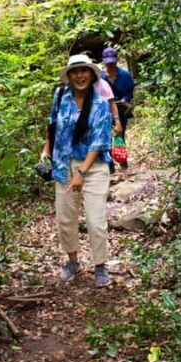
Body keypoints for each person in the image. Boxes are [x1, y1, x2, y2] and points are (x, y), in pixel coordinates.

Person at [40, 54, 113, 287]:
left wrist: (81, 173)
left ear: (91, 75)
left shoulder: (101, 104)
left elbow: (99, 141)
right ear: (69, 76)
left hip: (94, 167)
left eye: (84, 71)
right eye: (75, 71)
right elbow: (52, 125)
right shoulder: (60, 96)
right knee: (65, 218)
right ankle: (72, 261)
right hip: (63, 163)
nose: (80, 76)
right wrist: (46, 151)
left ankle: (100, 265)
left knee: (95, 219)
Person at [101, 48, 135, 171]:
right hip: (104, 111)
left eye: (113, 62)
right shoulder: (100, 77)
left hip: (121, 110)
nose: (110, 65)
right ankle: (110, 166)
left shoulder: (125, 75)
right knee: (106, 137)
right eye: (108, 62)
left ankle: (123, 162)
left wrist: (125, 99)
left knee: (120, 135)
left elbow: (130, 92)